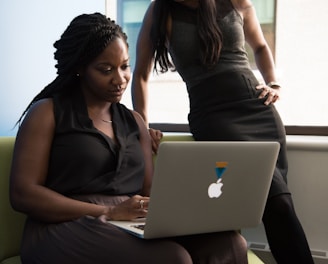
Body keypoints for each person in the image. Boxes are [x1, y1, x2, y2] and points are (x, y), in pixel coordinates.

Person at [9, 12, 248, 264]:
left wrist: (191, 208)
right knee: (173, 258)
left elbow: (150, 191)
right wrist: (109, 211)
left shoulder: (134, 122)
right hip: (64, 226)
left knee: (229, 244)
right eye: (106, 70)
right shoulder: (47, 112)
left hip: (128, 220)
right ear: (80, 68)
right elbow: (23, 193)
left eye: (124, 66)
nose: (120, 79)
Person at [131, 1, 315, 264]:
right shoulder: (161, 9)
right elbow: (140, 74)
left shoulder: (235, 1)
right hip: (213, 118)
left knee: (280, 204)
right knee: (272, 204)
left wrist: (274, 83)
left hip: (257, 110)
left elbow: (261, 47)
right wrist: (144, 127)